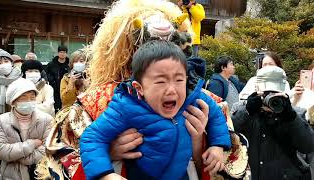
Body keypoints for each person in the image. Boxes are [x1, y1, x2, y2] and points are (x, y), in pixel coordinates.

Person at [36, 0, 224, 179]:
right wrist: (109, 154)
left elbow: (227, 160)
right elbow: (64, 157)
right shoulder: (96, 101)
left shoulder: (200, 97)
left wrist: (200, 145)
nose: (171, 88)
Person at [80, 40, 230, 180]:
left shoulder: (194, 96)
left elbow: (216, 115)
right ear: (139, 87)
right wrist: (104, 174)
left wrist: (217, 145)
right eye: (160, 81)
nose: (172, 90)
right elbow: (92, 137)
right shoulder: (125, 105)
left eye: (179, 80)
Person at [231, 66, 314, 180]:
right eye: (266, 92)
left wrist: (291, 118)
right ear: (257, 89)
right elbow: (229, 135)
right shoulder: (244, 109)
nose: (270, 97)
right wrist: (246, 111)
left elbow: (308, 146)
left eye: (274, 92)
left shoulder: (294, 113)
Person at [0, 78, 52, 180]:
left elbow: (48, 149)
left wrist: (19, 157)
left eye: (32, 97)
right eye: (23, 98)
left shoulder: (47, 119)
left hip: (40, 175)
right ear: (13, 101)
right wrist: (32, 144)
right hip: (10, 176)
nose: (29, 101)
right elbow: (1, 151)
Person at [0, 49, 22, 116]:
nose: (3, 64)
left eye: (6, 61)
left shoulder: (20, 77)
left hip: (18, 114)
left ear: (12, 63)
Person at [46, 45, 70, 112]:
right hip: (54, 88)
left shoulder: (69, 64)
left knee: (66, 106)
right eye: (61, 52)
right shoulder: (51, 64)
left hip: (66, 88)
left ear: (66, 53)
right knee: (55, 107)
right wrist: (52, 80)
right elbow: (46, 73)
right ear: (58, 53)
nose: (62, 54)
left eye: (64, 52)